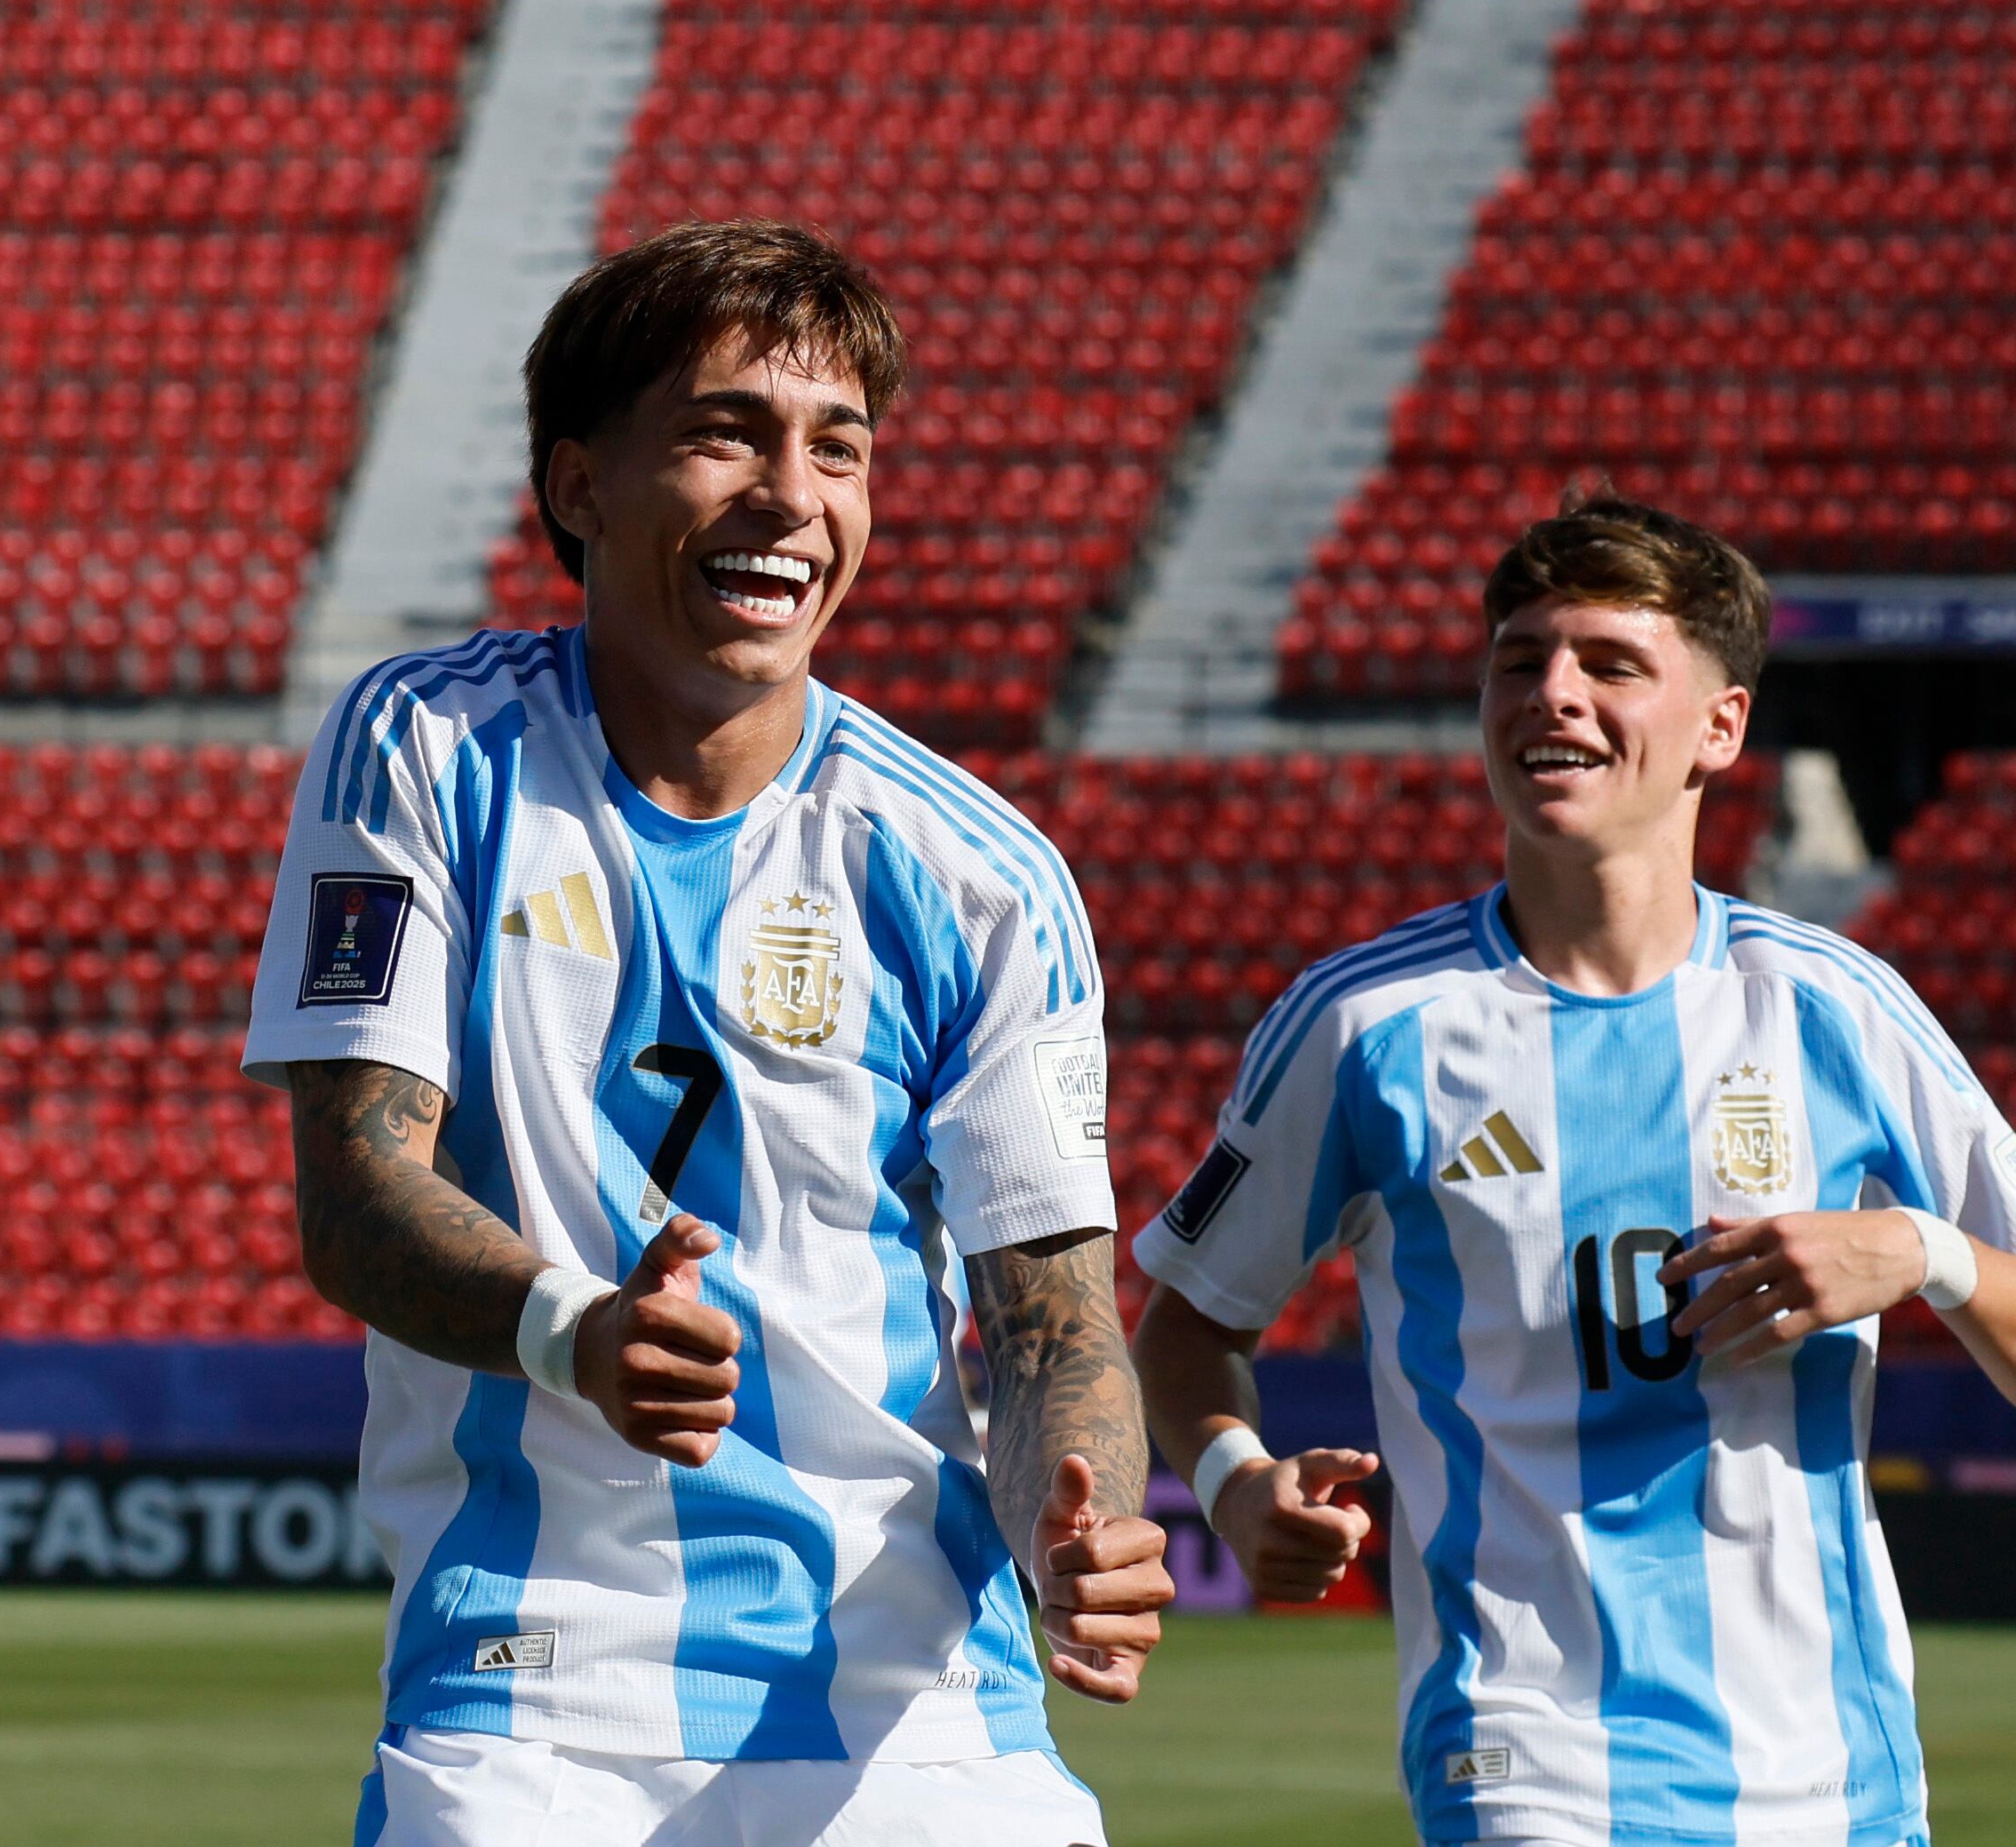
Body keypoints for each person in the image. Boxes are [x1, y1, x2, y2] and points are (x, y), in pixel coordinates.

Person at [243, 220, 1172, 1846]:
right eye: (724, 431)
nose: (793, 497)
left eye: (839, 448)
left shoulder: (980, 875)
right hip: (529, 1692)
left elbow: (1052, 1324)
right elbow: (355, 1188)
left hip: (915, 1705)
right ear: (581, 485)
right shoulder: (427, 750)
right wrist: (575, 1332)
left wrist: (1077, 1514)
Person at [1132, 497, 2016, 1847]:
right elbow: (1190, 1320)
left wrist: (1925, 1256)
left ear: (1720, 727)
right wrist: (1238, 1477)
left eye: (1608, 661)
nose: (1552, 691)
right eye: (1519, 657)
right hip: (1531, 1764)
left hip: (1839, 1779)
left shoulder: (1835, 1007)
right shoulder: (1369, 1025)